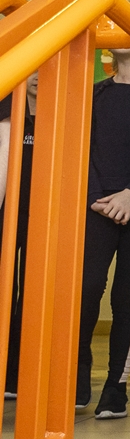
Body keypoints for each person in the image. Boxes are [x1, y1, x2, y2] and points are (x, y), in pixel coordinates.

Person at [77, 4, 130, 419]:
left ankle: (117, 387)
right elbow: (82, 149)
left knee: (126, 295)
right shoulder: (94, 93)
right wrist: (98, 196)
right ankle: (78, 379)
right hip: (96, 204)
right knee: (85, 289)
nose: (121, 31)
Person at [0, 70, 38, 401]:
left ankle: (18, 374)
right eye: (33, 68)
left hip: (44, 217)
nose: (38, 76)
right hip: (7, 215)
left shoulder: (65, 113)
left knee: (32, 294)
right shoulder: (8, 112)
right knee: (4, 290)